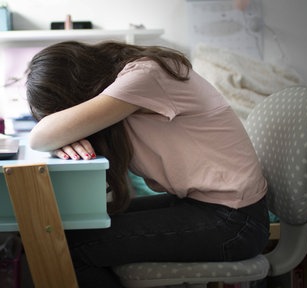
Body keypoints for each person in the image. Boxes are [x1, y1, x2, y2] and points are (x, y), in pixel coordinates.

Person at [25, 41, 270, 287]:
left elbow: (39, 136)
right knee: (72, 232)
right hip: (209, 208)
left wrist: (57, 136)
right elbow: (46, 135)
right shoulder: (131, 83)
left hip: (236, 223)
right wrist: (60, 139)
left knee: (71, 247)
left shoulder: (146, 76)